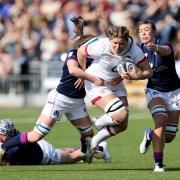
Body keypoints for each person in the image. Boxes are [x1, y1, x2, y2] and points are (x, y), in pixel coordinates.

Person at [0, 17, 112, 164]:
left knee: (89, 134)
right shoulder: (73, 54)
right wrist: (88, 76)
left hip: (77, 102)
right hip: (60, 99)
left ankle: (92, 151)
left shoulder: (95, 61)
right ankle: (3, 147)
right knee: (35, 136)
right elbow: (73, 70)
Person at [76, 18, 153, 160]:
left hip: (116, 84)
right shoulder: (102, 45)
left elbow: (148, 71)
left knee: (123, 125)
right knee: (121, 115)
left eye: (121, 44)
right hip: (96, 83)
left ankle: (94, 142)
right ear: (109, 40)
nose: (118, 47)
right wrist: (83, 75)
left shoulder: (133, 49)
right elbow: (81, 52)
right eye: (115, 43)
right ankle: (99, 122)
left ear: (127, 41)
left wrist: (134, 76)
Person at [137, 20, 180, 172]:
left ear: (154, 32)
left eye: (147, 30)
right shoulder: (137, 49)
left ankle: (149, 134)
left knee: (168, 136)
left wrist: (155, 47)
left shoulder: (164, 44)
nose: (143, 32)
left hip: (175, 92)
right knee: (161, 120)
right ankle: (158, 164)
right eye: (140, 30)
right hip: (154, 90)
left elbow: (165, 51)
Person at [0, 119, 111, 165]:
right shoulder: (13, 135)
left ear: (8, 134)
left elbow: (7, 163)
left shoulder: (15, 148)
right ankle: (87, 148)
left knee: (71, 157)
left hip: (44, 154)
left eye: (2, 135)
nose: (0, 137)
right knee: (64, 151)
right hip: (38, 146)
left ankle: (100, 149)